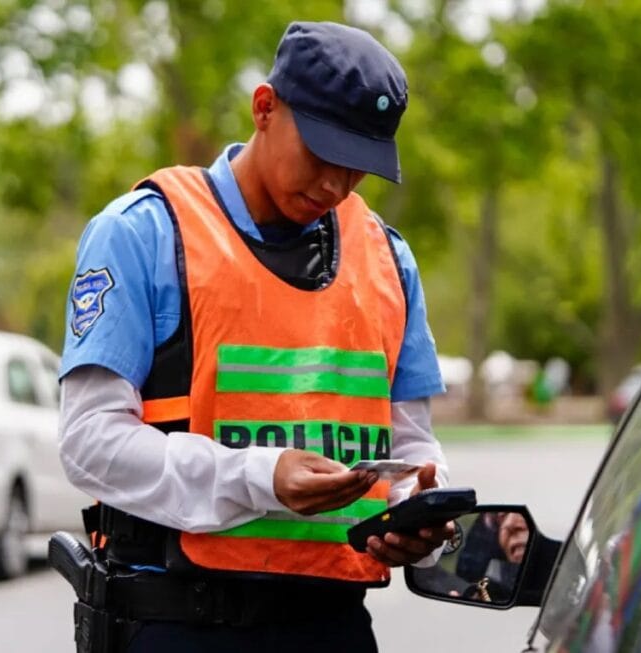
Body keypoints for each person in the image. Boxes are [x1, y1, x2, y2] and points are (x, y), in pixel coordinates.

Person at [57, 20, 449, 653]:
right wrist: (260, 477)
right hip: (178, 624)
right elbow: (89, 444)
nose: (335, 186)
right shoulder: (143, 234)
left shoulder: (387, 260)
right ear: (264, 108)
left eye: (358, 168)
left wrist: (413, 508)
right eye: (322, 154)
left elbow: (412, 443)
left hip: (334, 628)